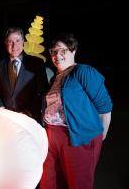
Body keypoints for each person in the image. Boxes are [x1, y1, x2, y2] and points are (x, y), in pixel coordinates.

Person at [40, 32, 113, 189]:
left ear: (73, 51)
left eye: (62, 50)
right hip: (51, 136)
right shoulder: (55, 78)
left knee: (78, 183)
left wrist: (102, 134)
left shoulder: (83, 72)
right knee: (49, 182)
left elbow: (105, 107)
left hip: (76, 138)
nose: (57, 55)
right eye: (53, 51)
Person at [0, 27, 49, 122]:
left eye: (18, 40)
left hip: (29, 118)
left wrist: (28, 112)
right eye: (10, 41)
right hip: (6, 118)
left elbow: (42, 92)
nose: (14, 46)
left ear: (23, 41)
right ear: (6, 43)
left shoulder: (36, 63)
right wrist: (1, 108)